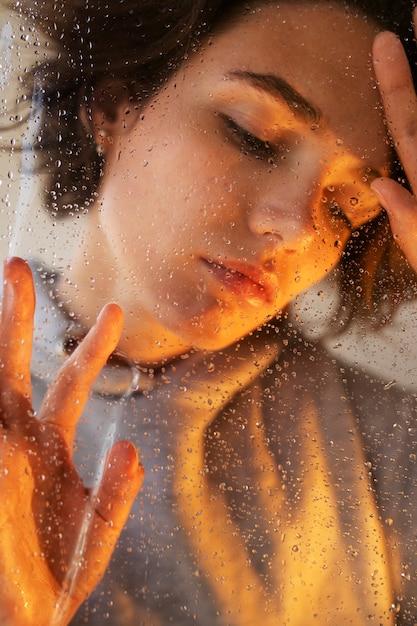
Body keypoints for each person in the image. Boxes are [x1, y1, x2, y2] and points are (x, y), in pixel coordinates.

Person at [1, 0, 417, 623]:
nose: (296, 226)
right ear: (116, 107)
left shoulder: (388, 444)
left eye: (346, 203)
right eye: (253, 133)